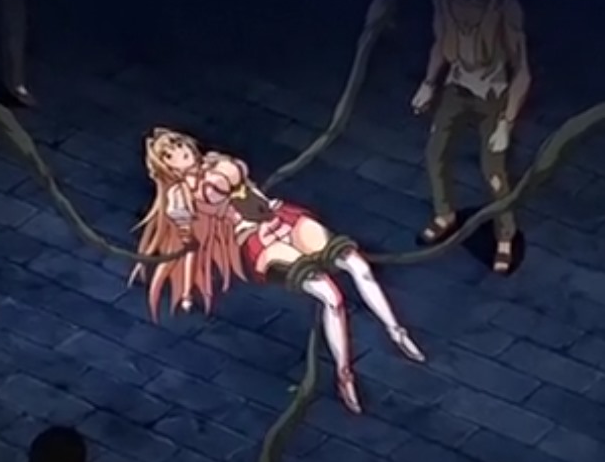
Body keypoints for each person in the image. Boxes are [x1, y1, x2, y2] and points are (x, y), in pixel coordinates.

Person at [129, 127, 426, 414]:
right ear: (165, 166)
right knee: (331, 297)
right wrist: (186, 289)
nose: (181, 152)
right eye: (170, 154)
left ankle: (396, 331)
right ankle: (344, 372)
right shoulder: (179, 196)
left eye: (179, 145)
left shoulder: (217, 161)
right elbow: (192, 244)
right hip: (257, 240)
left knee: (356, 263)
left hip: (281, 217)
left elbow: (239, 182)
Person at [410, 0, 533, 274]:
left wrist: (506, 122)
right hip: (457, 85)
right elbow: (441, 41)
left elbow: (522, 71)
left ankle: (505, 236)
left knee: (493, 171)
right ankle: (444, 214)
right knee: (435, 151)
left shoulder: (504, 6)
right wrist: (429, 83)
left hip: (493, 93)